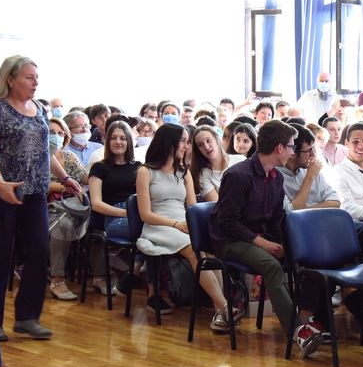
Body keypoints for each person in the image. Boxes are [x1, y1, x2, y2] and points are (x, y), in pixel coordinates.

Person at [0, 55, 82, 341]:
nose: (35, 83)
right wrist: (0, 183)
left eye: (36, 77)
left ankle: (27, 318)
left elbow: (45, 150)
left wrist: (65, 178)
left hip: (33, 191)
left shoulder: (39, 108)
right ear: (10, 79)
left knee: (39, 250)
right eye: (29, 77)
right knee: (0, 255)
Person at [212, 120, 331, 356]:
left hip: (258, 236)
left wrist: (292, 245)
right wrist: (263, 243)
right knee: (271, 265)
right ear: (279, 148)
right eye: (291, 147)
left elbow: (277, 219)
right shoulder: (238, 175)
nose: (292, 152)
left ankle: (311, 320)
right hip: (230, 240)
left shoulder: (276, 177)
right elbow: (227, 222)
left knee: (305, 257)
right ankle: (299, 331)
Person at [135, 122, 232, 330]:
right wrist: (176, 224)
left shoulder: (184, 172)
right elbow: (145, 214)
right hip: (158, 225)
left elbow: (192, 208)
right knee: (194, 251)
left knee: (210, 250)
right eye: (183, 141)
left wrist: (191, 226)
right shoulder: (145, 171)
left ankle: (220, 312)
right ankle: (225, 307)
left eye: (187, 142)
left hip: (182, 223)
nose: (187, 147)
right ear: (169, 143)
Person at [88, 120, 141, 294]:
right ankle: (136, 272)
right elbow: (96, 204)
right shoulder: (99, 168)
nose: (118, 142)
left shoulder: (139, 167)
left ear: (129, 141)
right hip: (112, 219)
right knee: (150, 233)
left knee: (153, 233)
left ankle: (135, 273)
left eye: (123, 138)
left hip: (137, 216)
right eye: (114, 138)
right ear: (107, 141)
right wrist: (127, 214)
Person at [46, 116, 88, 301]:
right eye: (51, 132)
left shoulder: (68, 156)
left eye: (61, 133)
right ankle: (57, 280)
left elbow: (83, 176)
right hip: (46, 205)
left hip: (71, 204)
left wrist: (99, 171)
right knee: (63, 225)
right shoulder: (37, 156)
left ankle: (101, 277)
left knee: (96, 221)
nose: (56, 136)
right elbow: (39, 185)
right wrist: (64, 187)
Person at [280, 125, 340, 212]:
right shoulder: (277, 177)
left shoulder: (312, 168)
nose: (313, 155)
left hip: (322, 218)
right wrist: (309, 177)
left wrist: (305, 210)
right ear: (292, 153)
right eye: (308, 151)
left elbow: (336, 202)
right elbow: (290, 212)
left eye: (313, 149)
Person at [191, 125, 244, 202]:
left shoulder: (240, 160)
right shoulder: (203, 175)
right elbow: (217, 204)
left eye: (208, 141)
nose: (206, 147)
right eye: (201, 145)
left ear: (217, 140)